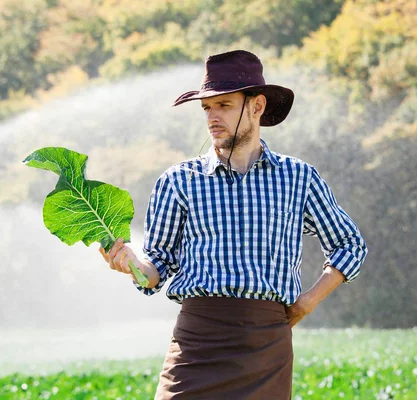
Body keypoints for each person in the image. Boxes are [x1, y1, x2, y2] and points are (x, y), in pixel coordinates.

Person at [99, 50, 368, 400]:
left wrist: (308, 301)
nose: (212, 117)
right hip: (196, 344)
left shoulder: (298, 177)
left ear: (256, 106)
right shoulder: (179, 180)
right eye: (206, 108)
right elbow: (158, 266)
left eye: (223, 105)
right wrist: (132, 265)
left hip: (266, 347)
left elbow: (350, 245)